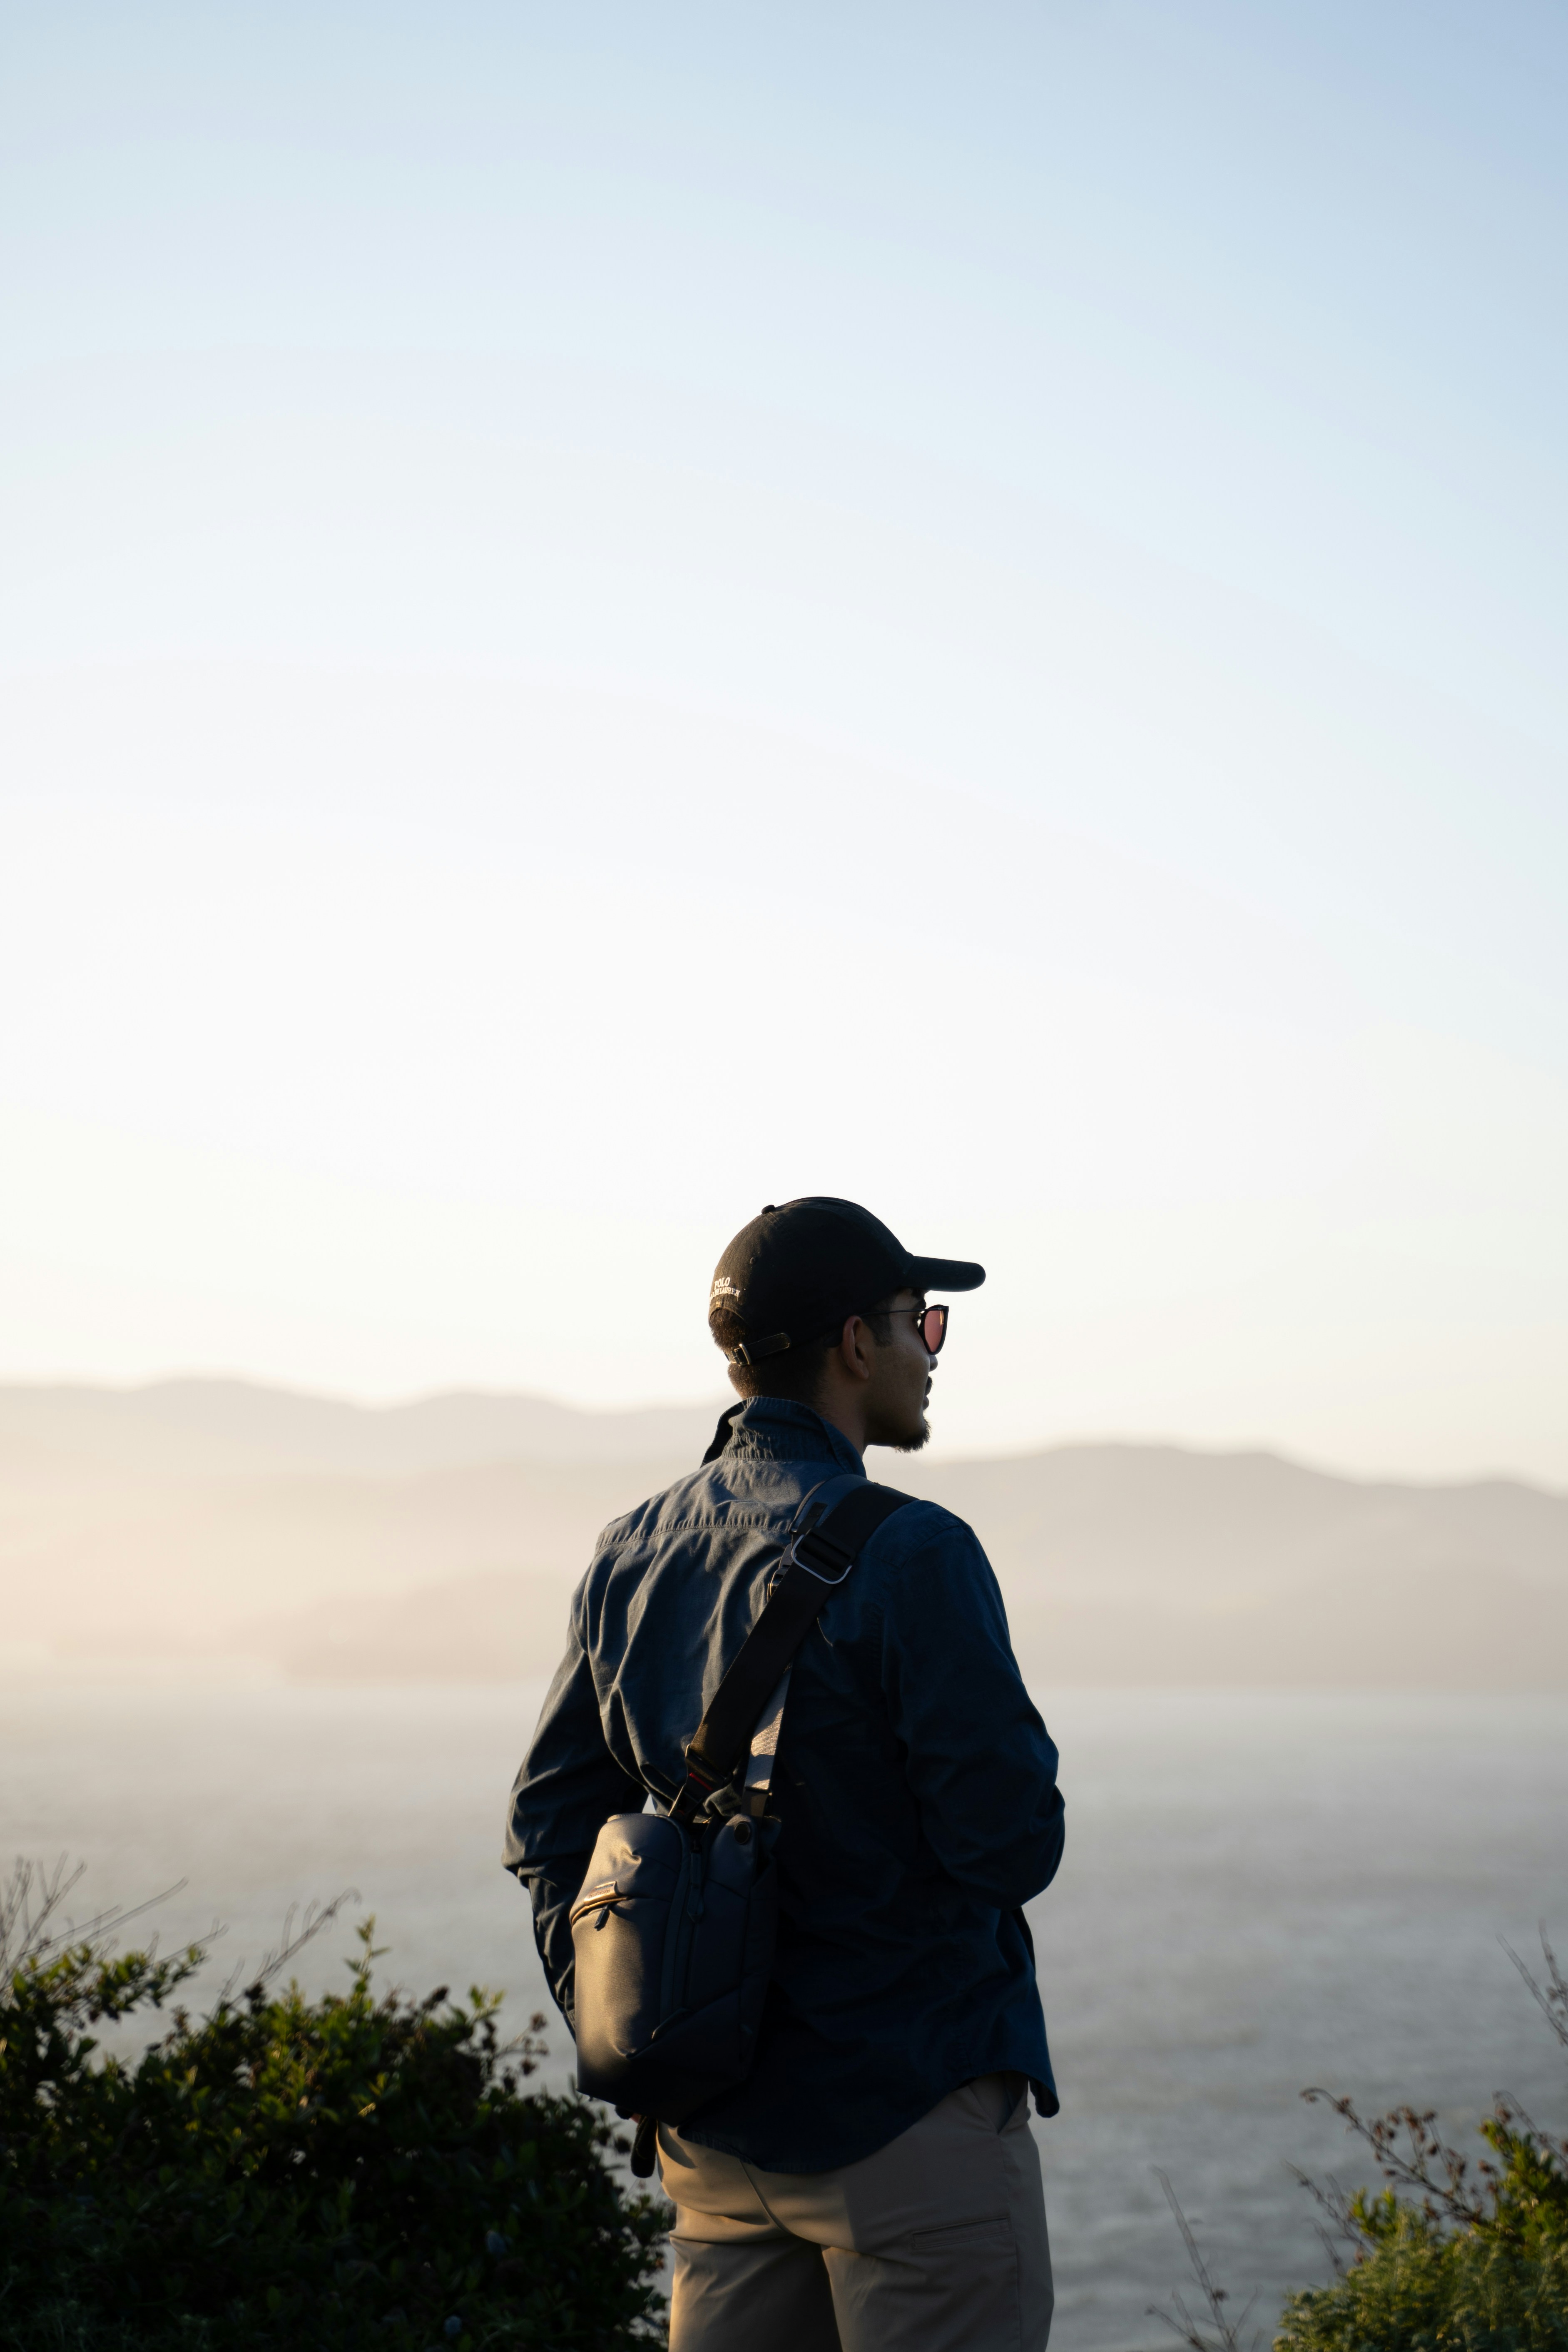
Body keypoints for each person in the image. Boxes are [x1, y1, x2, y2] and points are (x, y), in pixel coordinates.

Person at [503, 1196, 1064, 2352]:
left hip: (714, 2142)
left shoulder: (629, 1551)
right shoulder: (917, 1551)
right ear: (857, 1341)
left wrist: (629, 2027)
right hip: (907, 2124)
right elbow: (1011, 1844)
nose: (932, 1350)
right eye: (922, 1321)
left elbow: (549, 1822)